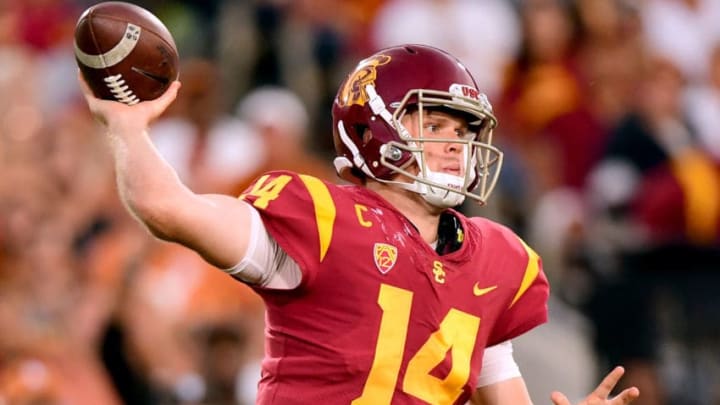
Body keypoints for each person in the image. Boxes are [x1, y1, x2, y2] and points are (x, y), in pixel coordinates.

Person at [77, 44, 639, 405]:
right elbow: (168, 208)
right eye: (437, 123)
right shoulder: (321, 218)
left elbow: (497, 384)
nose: (456, 145)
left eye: (466, 132)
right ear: (376, 129)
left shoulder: (497, 258)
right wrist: (126, 128)